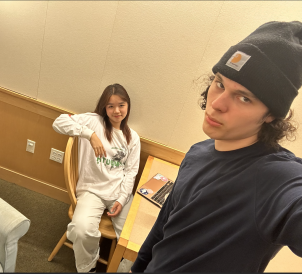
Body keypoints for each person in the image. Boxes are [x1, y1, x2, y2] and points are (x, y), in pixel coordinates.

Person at [131, 21, 302, 272]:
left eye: (244, 98)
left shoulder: (275, 179)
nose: (217, 104)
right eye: (220, 83)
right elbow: (164, 227)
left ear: (271, 115)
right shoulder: (197, 152)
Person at [52, 84, 141, 273]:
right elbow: (58, 122)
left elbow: (131, 172)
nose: (116, 111)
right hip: (92, 190)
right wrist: (89, 134)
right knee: (81, 229)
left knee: (135, 241)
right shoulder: (94, 122)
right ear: (104, 107)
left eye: (121, 105)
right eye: (110, 106)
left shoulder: (133, 138)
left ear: (128, 106)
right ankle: (89, 268)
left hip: (119, 192)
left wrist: (122, 198)